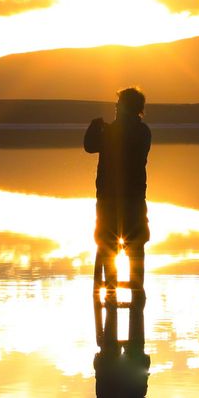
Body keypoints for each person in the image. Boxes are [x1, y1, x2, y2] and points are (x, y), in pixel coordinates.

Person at [84, 86, 151, 292]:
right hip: (134, 197)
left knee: (107, 241)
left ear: (125, 108)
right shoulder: (143, 131)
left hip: (110, 198)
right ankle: (136, 289)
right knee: (136, 242)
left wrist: (95, 127)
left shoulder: (112, 132)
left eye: (118, 105)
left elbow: (89, 146)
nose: (115, 108)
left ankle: (112, 288)